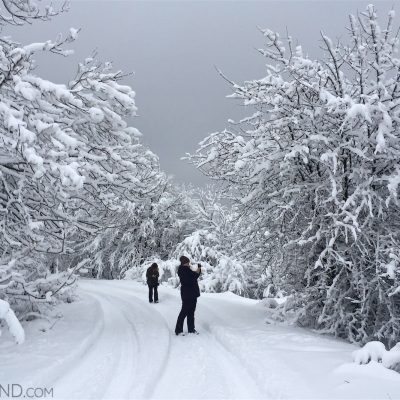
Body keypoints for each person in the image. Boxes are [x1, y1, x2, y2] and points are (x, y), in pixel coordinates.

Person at [175, 256, 201, 336]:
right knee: (184, 312)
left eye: (188, 262)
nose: (188, 263)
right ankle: (178, 330)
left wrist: (198, 269)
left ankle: (191, 329)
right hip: (187, 294)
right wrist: (198, 270)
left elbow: (195, 275)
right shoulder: (183, 270)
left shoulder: (187, 269)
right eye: (187, 262)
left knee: (191, 312)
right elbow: (193, 277)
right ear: (184, 263)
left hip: (192, 294)